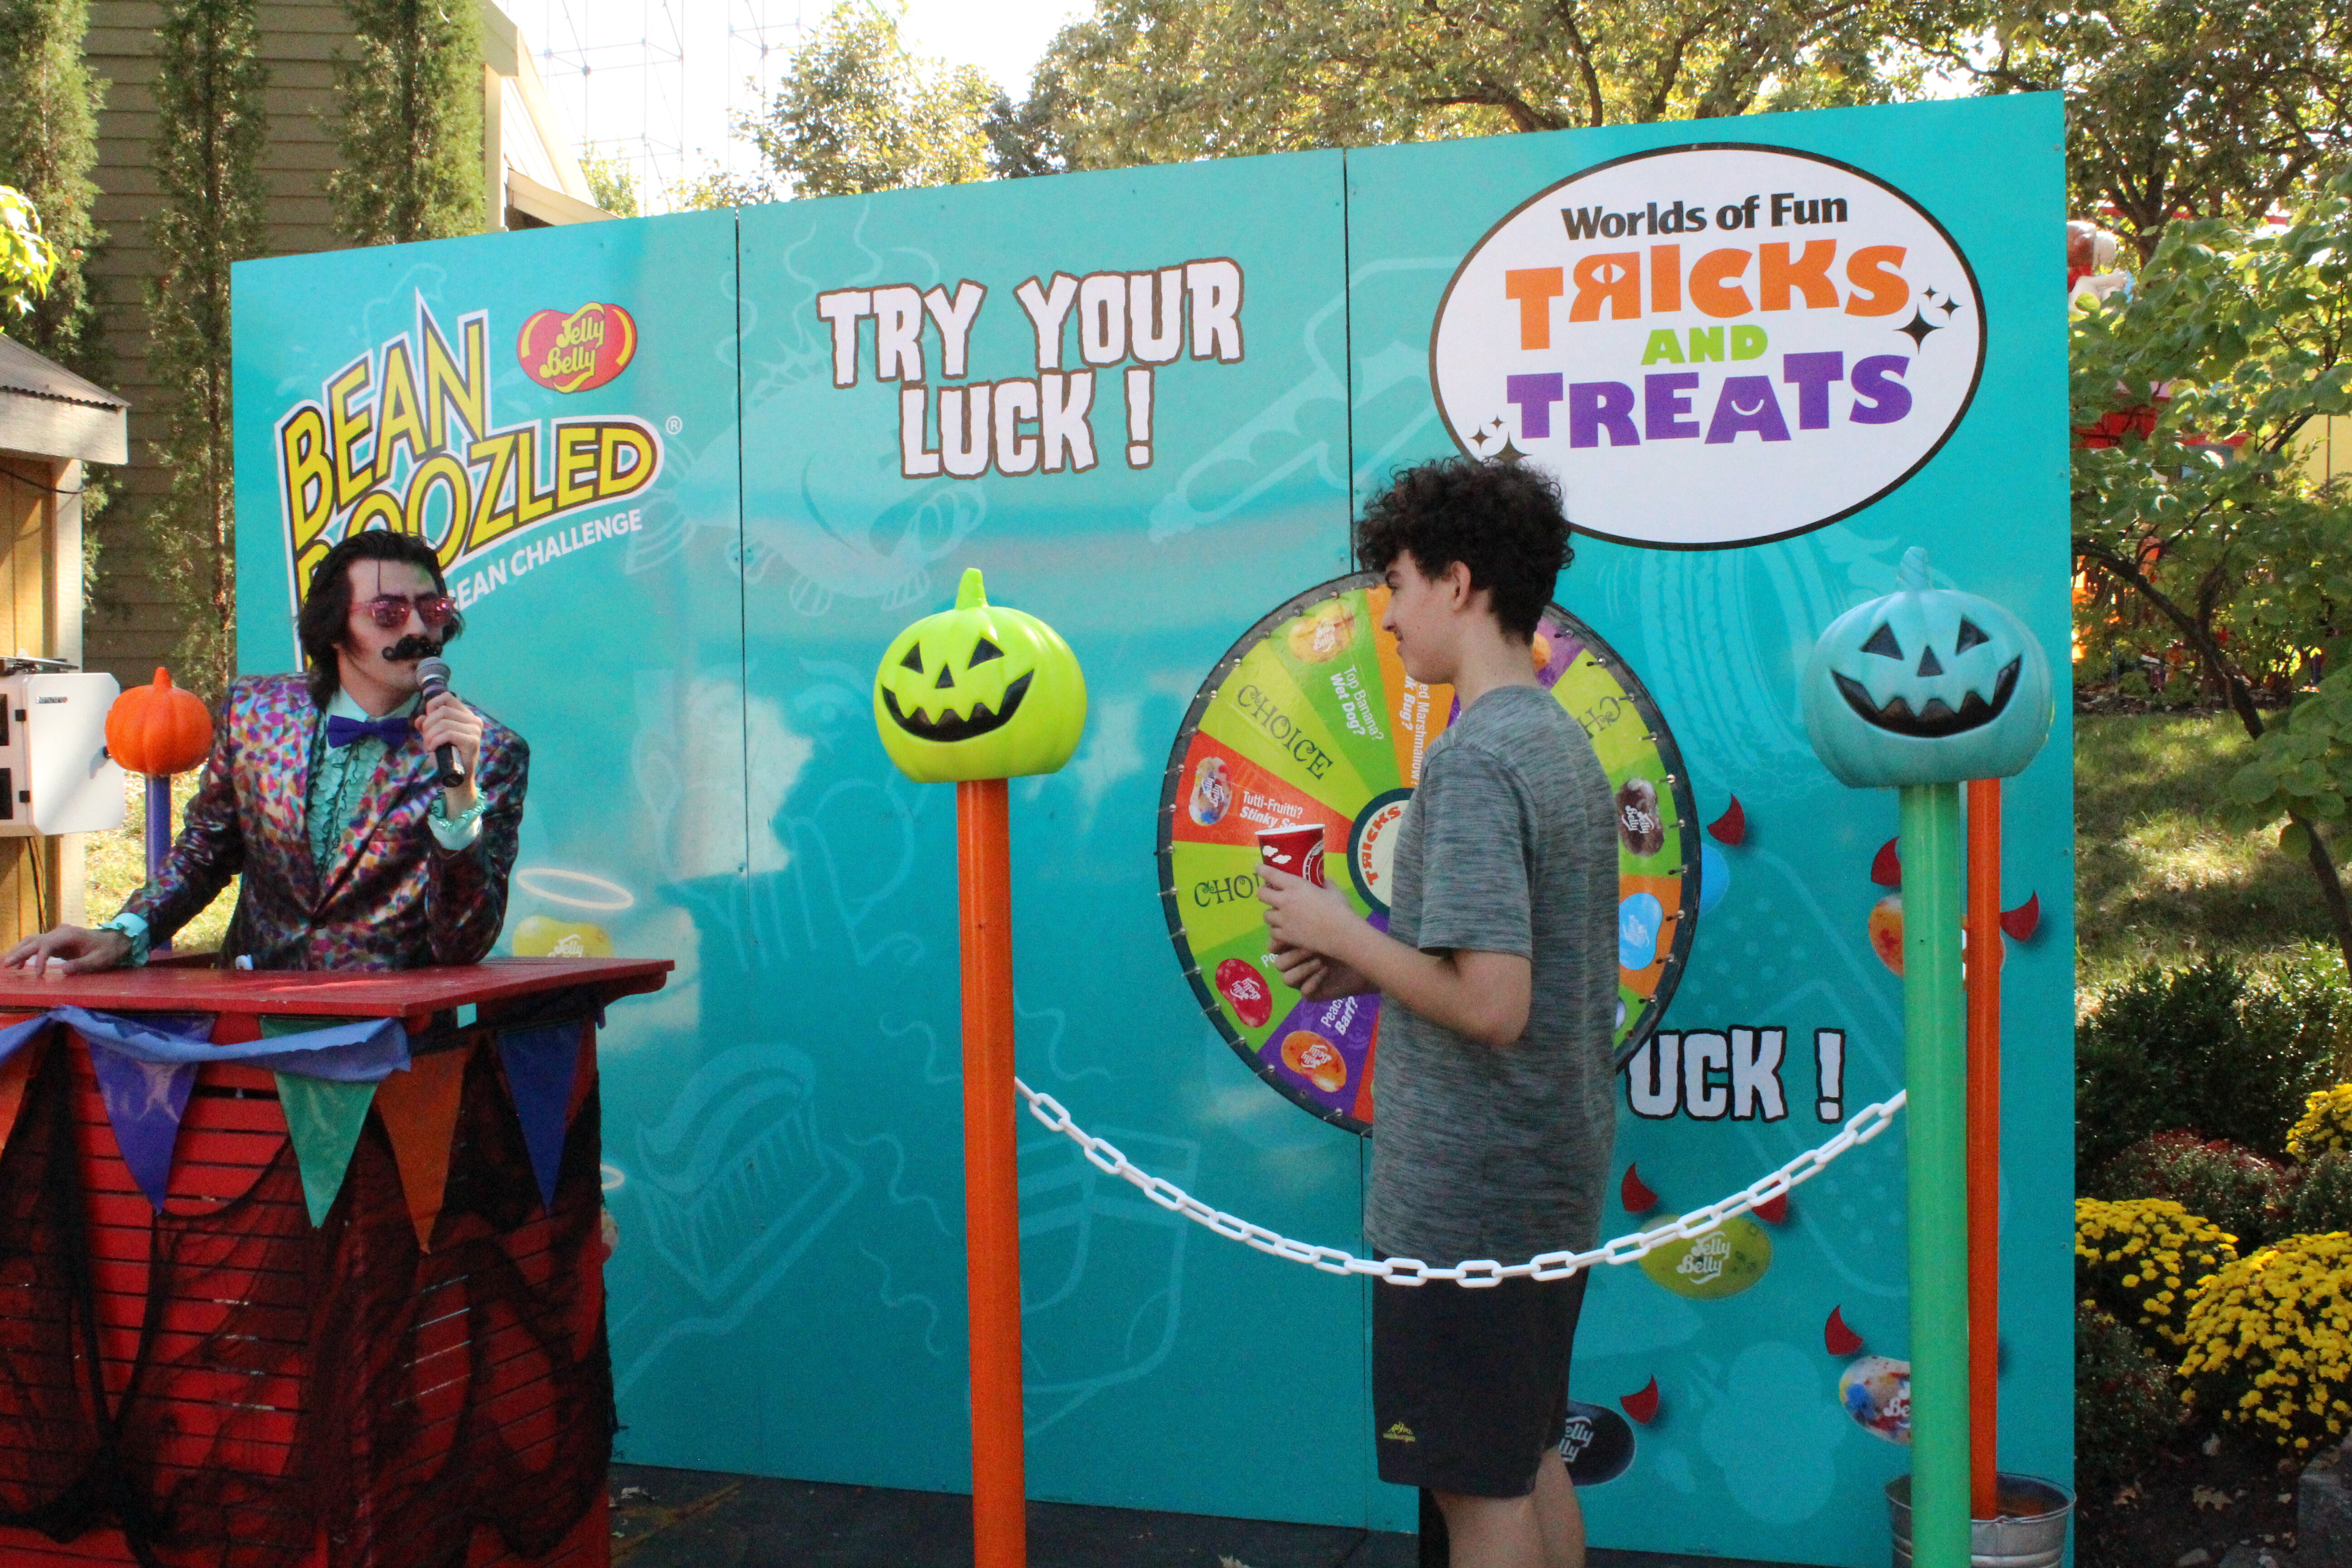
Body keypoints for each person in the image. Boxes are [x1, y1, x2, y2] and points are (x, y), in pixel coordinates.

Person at [1257, 458, 1617, 1568]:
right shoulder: (1554, 738)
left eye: (1399, 583)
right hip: (1543, 1176)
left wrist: (1341, 927)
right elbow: (1512, 970)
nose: (1388, 612)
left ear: (1457, 583)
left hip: (1467, 1199)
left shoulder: (1473, 760)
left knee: (1476, 1491)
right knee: (1526, 1456)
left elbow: (1494, 1004)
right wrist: (1366, 968)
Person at [3, 530, 527, 974]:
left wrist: (461, 796)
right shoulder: (256, 711)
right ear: (334, 628)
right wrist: (124, 933)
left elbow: (462, 944)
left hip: (394, 1034)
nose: (417, 629)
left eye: (432, 610)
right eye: (388, 612)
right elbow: (206, 853)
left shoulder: (491, 753)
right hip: (249, 1015)